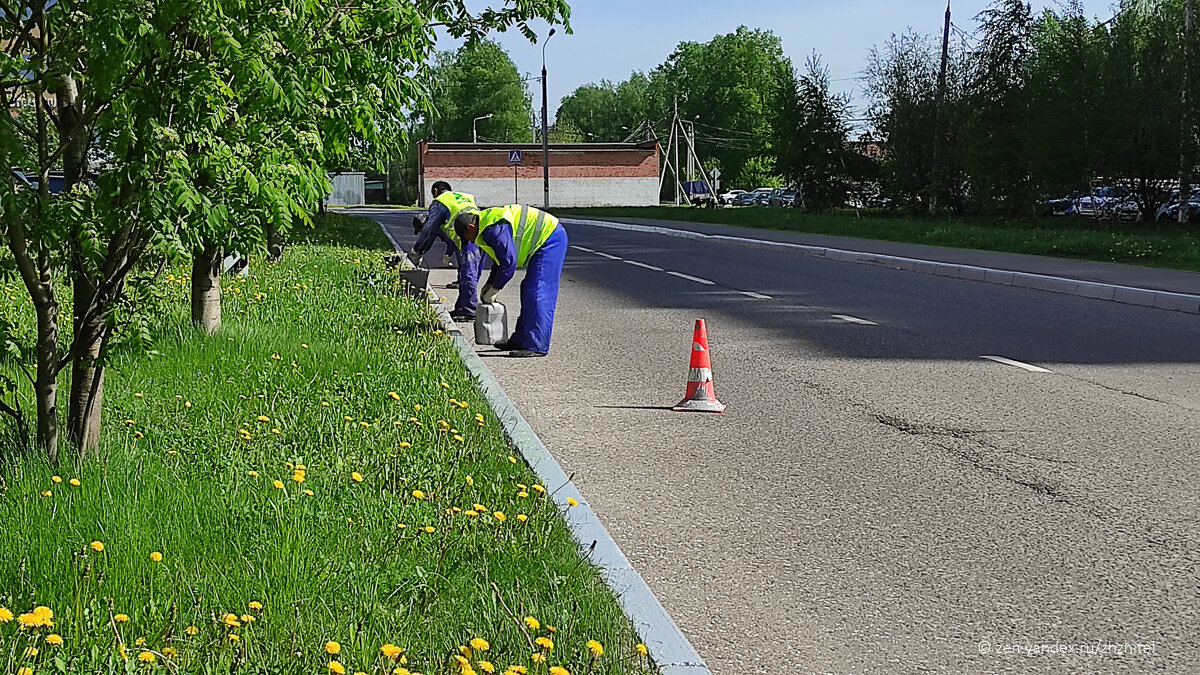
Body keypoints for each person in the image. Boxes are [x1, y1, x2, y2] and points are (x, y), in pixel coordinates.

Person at [453, 204, 567, 357]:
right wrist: (489, 283)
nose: (471, 242)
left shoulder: (493, 228)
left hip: (550, 239)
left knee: (538, 291)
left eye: (467, 238)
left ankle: (536, 344)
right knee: (528, 289)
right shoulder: (485, 226)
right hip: (547, 237)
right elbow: (499, 260)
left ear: (471, 226)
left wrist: (495, 288)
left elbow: (508, 263)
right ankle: (521, 340)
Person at [406, 181, 482, 321]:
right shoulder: (464, 196)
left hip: (466, 234)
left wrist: (417, 252)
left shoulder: (440, 202)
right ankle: (462, 307)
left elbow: (430, 229)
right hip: (481, 231)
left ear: (435, 191)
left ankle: (469, 310)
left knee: (468, 272)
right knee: (471, 272)